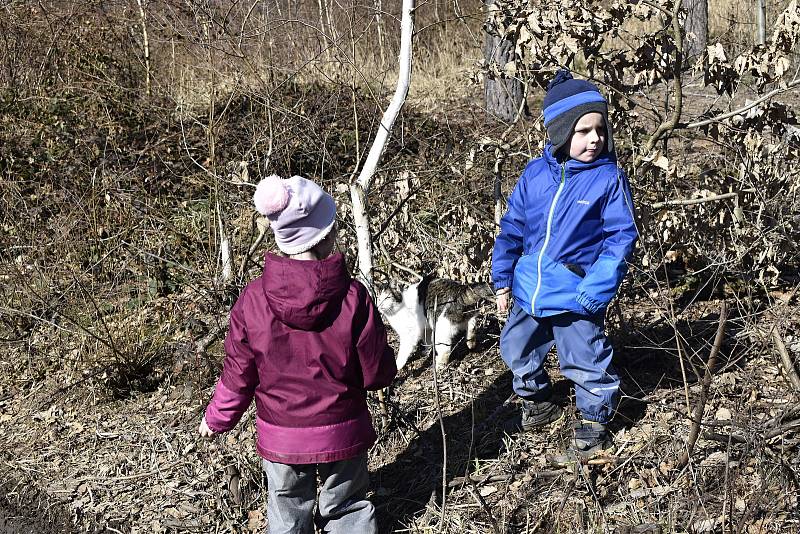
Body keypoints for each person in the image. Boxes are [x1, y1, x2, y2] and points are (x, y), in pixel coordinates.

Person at [198, 174, 397, 533]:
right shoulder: (353, 297)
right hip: (343, 429)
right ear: (329, 234)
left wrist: (216, 418)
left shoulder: (253, 300)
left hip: (281, 435)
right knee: (349, 504)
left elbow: (237, 375)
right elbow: (377, 373)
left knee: (287, 506)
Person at [492, 70, 638, 458]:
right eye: (583, 131)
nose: (595, 139)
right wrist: (503, 279)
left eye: (600, 129)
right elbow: (512, 229)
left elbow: (621, 239)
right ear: (558, 133)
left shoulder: (607, 179)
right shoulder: (534, 175)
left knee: (585, 360)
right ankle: (538, 401)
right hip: (529, 288)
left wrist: (595, 290)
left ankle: (594, 422)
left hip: (576, 293)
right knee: (515, 347)